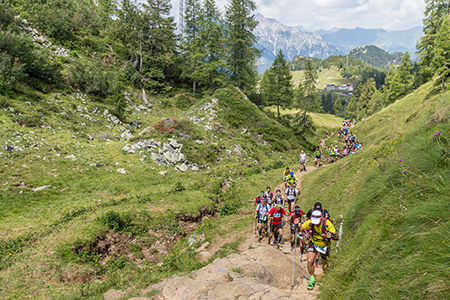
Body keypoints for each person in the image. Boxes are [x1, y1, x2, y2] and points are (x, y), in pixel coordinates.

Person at [302, 210, 339, 290]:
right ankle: (312, 279)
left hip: (324, 245)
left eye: (317, 222)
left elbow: (337, 237)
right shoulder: (310, 222)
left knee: (325, 264)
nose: (315, 224)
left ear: (321, 218)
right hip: (314, 243)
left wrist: (331, 236)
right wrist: (296, 224)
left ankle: (327, 278)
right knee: (310, 260)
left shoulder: (327, 223)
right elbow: (299, 229)